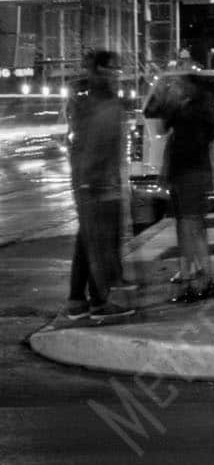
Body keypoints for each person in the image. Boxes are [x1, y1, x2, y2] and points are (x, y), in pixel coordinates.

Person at [64, 51, 136, 324]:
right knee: (99, 245)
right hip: (98, 187)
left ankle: (77, 301)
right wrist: (94, 183)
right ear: (102, 72)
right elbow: (91, 149)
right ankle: (98, 301)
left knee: (87, 243)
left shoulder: (93, 103)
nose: (117, 76)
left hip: (93, 185)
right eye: (113, 71)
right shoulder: (101, 105)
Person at [149, 69, 214, 303]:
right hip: (186, 174)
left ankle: (198, 278)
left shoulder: (194, 109)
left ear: (190, 88)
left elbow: (164, 128)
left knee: (190, 226)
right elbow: (159, 125)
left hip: (190, 173)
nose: (176, 87)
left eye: (180, 84)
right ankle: (195, 276)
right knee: (188, 226)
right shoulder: (186, 107)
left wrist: (163, 96)